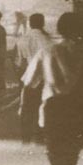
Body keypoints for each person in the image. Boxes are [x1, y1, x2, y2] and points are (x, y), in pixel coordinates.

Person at [22, 12, 83, 165]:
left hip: (53, 113)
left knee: (58, 164)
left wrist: (26, 118)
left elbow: (29, 86)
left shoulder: (47, 51)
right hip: (78, 113)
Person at [16, 13, 52, 143]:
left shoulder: (22, 39)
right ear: (42, 23)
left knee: (26, 109)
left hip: (28, 79)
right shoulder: (47, 40)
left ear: (30, 24)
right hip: (44, 79)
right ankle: (39, 137)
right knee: (42, 109)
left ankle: (25, 139)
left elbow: (20, 63)